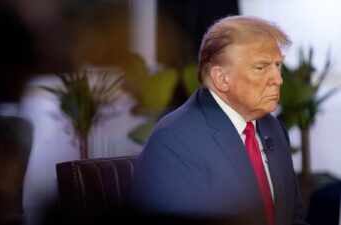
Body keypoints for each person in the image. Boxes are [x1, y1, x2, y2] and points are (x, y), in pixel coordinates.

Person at [132, 15, 309, 225]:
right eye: (261, 67)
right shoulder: (175, 140)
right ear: (221, 78)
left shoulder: (273, 128)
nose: (278, 79)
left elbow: (294, 218)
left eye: (278, 65)